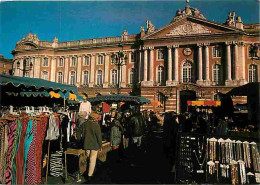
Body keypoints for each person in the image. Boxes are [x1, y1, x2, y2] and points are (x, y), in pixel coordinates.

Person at [76, 110, 102, 182]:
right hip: (95, 145)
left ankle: (86, 172)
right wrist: (100, 146)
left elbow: (78, 132)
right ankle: (89, 175)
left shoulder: (85, 124)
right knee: (92, 160)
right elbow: (99, 137)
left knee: (87, 158)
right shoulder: (96, 125)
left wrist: (80, 140)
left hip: (86, 144)